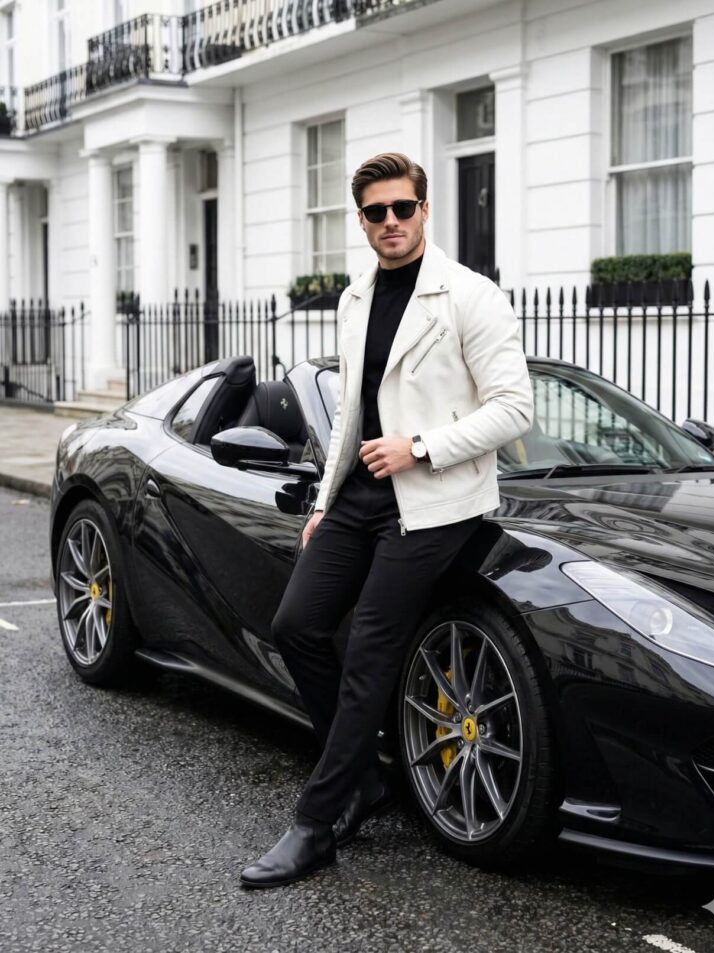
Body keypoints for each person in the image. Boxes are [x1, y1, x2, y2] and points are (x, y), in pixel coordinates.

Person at [240, 152, 533, 888]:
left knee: (370, 650)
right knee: (296, 624)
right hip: (361, 496)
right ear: (362, 220)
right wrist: (323, 504)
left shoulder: (471, 296)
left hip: (435, 501)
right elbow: (350, 415)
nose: (392, 221)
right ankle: (365, 779)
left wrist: (420, 447)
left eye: (403, 207)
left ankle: (316, 823)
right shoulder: (356, 298)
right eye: (377, 212)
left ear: (425, 210)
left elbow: (513, 409)